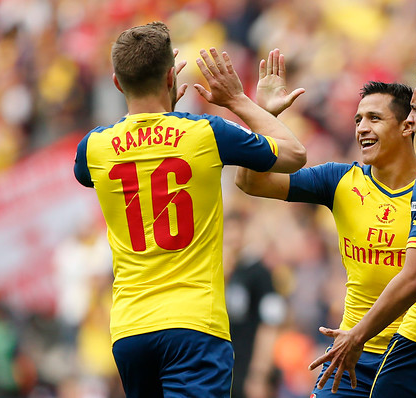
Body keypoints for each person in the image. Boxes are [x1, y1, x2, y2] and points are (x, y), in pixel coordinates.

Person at [236, 50, 416, 397]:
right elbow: (250, 182)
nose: (361, 128)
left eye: (373, 118)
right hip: (351, 351)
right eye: (357, 120)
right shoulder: (339, 181)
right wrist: (264, 114)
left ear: (407, 126)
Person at [72, 22, 306, 398]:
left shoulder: (93, 148)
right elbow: (294, 154)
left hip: (131, 331)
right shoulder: (204, 134)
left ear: (117, 83)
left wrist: (162, 109)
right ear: (171, 76)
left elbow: (103, 166)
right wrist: (240, 102)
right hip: (194, 325)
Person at [223, 210, 286, 398]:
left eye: (237, 230)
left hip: (248, 366)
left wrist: (259, 373)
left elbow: (271, 324)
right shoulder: (218, 272)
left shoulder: (260, 273)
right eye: (228, 231)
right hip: (224, 366)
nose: (233, 237)